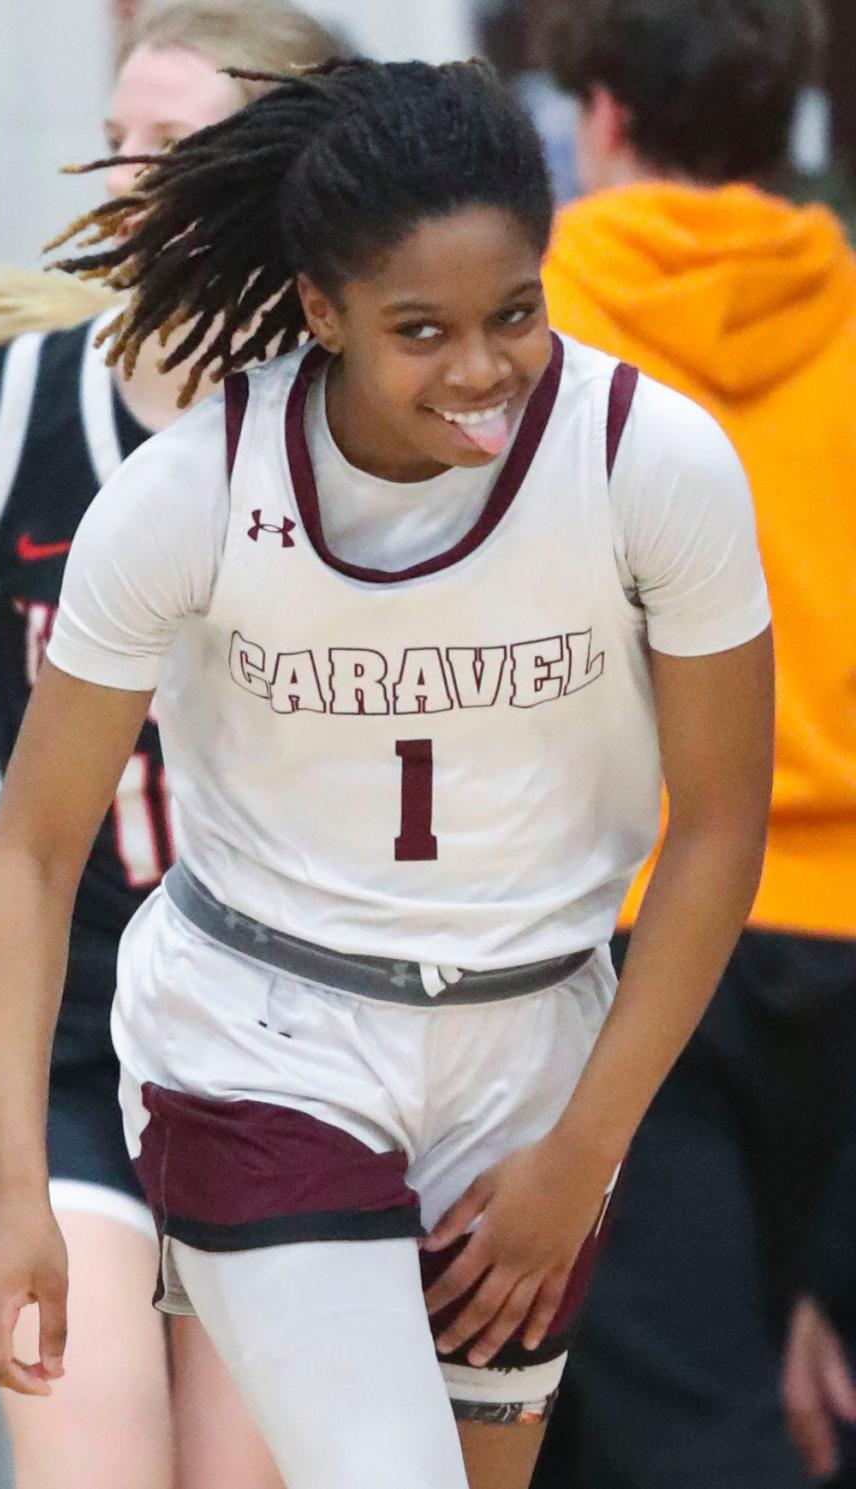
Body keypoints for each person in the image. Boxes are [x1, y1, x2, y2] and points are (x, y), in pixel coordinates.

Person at [0, 57, 773, 1489]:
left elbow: (717, 831)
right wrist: (13, 1185)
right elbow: (27, 851)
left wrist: (584, 1148)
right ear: (325, 312)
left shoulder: (660, 467)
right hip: (263, 1040)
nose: (479, 370)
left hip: (539, 1050)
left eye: (514, 311)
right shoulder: (189, 497)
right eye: (422, 329)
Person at [0, 5, 339, 1487]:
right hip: (53, 1038)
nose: (124, 178)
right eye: (117, 139)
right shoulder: (6, 406)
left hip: (280, 1043)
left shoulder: (355, 442)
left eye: (173, 147)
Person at [533, 2, 856, 1486]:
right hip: (843, 932)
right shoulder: (845, 307)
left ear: (600, 117)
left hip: (638, 918)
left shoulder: (534, 332)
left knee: (667, 1410)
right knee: (816, 1396)